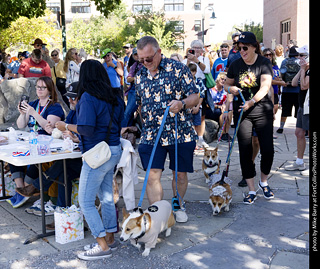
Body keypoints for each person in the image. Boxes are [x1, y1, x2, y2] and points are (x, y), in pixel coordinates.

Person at [56, 59, 124, 260]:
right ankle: (110, 237)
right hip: (113, 150)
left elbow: (86, 128)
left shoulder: (88, 97)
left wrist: (66, 126)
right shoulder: (116, 96)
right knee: (106, 196)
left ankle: (102, 246)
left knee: (85, 201)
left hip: (97, 155)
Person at [136, 36, 199, 222]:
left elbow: (195, 97)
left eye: (148, 58)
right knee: (151, 175)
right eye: (141, 60)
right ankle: (157, 215)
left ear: (159, 52)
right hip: (151, 134)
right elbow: (139, 104)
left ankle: (178, 204)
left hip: (180, 132)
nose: (145, 63)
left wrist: (182, 103)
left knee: (179, 174)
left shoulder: (178, 69)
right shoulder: (139, 75)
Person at [223, 32, 274, 204]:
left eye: (245, 47)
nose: (241, 51)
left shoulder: (264, 62)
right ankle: (251, 189)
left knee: (267, 149)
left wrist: (252, 101)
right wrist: (231, 90)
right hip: (242, 112)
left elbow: (266, 86)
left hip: (262, 110)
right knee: (245, 151)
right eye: (239, 48)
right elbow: (226, 85)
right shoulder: (235, 64)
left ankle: (264, 181)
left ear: (254, 47)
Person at [7, 76, 65, 208]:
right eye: (37, 87)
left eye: (43, 87)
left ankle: (26, 190)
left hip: (48, 146)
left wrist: (34, 113)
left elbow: (49, 128)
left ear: (49, 90)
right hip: (32, 142)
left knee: (37, 161)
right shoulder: (33, 104)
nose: (39, 90)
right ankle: (21, 189)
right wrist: (22, 113)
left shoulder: (55, 106)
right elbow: (21, 125)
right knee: (13, 155)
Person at [285, 45, 309, 175]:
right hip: (302, 105)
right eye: (298, 55)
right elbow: (294, 83)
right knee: (299, 133)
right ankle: (299, 162)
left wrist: (304, 69)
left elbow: (304, 85)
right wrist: (301, 69)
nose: (299, 58)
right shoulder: (304, 68)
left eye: (302, 55)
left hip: (308, 107)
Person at [182, 39, 211, 149]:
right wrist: (190, 60)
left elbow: (207, 71)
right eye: (195, 48)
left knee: (202, 114)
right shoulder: (186, 59)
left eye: (199, 48)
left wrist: (197, 61)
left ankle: (201, 138)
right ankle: (190, 138)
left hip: (200, 85)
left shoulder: (204, 59)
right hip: (188, 86)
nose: (197, 50)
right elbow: (183, 71)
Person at [276, 46, 300, 134]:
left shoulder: (284, 61)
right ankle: (299, 127)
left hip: (286, 89)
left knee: (285, 110)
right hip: (298, 90)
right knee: (298, 110)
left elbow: (281, 75)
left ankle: (281, 127)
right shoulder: (300, 62)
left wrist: (280, 87)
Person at [205, 72, 232, 141]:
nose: (223, 81)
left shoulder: (224, 90)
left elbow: (227, 102)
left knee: (230, 112)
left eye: (225, 80)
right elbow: (207, 104)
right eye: (222, 79)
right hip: (210, 109)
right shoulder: (211, 88)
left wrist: (224, 106)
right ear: (218, 79)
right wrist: (219, 106)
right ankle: (222, 134)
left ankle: (226, 133)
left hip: (220, 109)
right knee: (221, 112)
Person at [121, 48, 142, 128]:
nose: (137, 56)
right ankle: (123, 132)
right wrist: (137, 78)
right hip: (134, 90)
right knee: (128, 113)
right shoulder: (135, 65)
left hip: (146, 90)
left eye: (138, 54)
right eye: (135, 54)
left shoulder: (148, 64)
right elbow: (128, 78)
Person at [187, 63, 206, 147]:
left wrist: (197, 106)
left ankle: (199, 140)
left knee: (197, 123)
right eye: (190, 71)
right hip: (188, 107)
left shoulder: (199, 81)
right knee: (189, 124)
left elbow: (202, 95)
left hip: (198, 106)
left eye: (193, 71)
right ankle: (191, 141)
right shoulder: (185, 82)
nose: (191, 73)